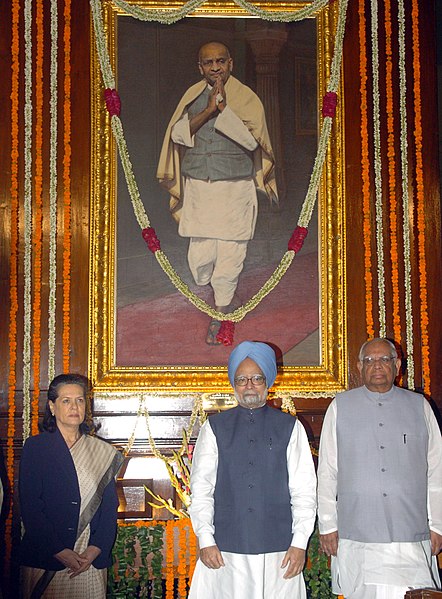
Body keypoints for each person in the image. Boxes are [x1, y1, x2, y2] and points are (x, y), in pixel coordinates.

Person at [157, 42, 278, 345]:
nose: (215, 68)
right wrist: (208, 109)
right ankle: (222, 293)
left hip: (234, 189)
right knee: (200, 261)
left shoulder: (246, 97)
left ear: (230, 64)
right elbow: (178, 134)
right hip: (199, 188)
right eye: (208, 63)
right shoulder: (192, 95)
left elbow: (253, 143)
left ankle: (221, 313)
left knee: (229, 255)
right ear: (200, 68)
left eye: (220, 62)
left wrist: (224, 111)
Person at [188, 340, 317, 598]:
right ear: (233, 384)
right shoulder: (214, 428)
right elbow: (201, 490)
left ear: (268, 381)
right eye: (241, 379)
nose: (249, 386)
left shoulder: (290, 428)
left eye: (256, 378)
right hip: (224, 550)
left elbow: (304, 491)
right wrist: (205, 540)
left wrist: (299, 543)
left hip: (279, 551)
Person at [317, 337, 442, 599]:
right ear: (359, 366)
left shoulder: (420, 407)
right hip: (357, 533)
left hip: (410, 532)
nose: (377, 365)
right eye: (370, 360)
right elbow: (327, 471)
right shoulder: (340, 407)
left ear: (397, 366)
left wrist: (438, 525)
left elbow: (436, 471)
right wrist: (328, 525)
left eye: (384, 359)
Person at [19, 374, 124, 599]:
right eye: (66, 401)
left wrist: (95, 549)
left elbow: (108, 508)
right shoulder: (36, 448)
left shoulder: (101, 451)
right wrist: (59, 551)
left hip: (89, 557)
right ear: (52, 407)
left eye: (80, 400)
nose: (74, 406)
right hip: (47, 554)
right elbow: (30, 507)